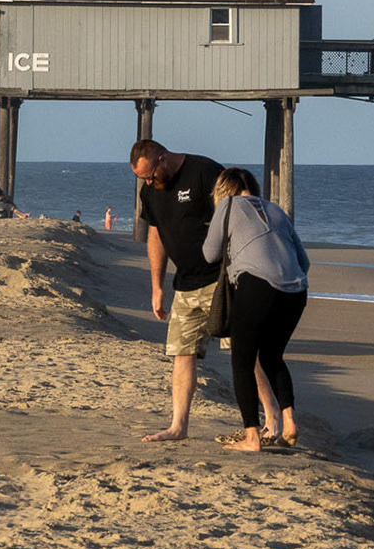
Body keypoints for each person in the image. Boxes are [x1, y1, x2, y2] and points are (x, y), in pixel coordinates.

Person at [130, 139, 230, 442]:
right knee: (181, 353)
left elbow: (236, 216)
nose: (149, 182)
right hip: (185, 284)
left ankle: (274, 421)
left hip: (221, 280)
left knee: (244, 351)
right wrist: (157, 287)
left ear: (162, 158)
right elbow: (156, 237)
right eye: (143, 179)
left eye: (150, 175)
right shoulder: (150, 192)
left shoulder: (203, 172)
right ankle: (178, 427)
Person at [203, 168, 309, 452]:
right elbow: (304, 262)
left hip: (256, 286)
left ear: (223, 190)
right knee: (272, 356)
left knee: (242, 361)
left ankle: (252, 437)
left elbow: (210, 254)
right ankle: (289, 423)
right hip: (296, 291)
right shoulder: (276, 210)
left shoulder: (227, 206)